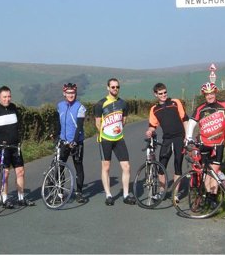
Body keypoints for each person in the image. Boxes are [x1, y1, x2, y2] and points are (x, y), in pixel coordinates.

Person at [186, 82, 225, 207]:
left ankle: (212, 197)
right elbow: (192, 122)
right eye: (207, 94)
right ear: (204, 95)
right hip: (204, 144)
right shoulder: (200, 108)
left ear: (215, 93)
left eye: (211, 93)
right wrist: (188, 138)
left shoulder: (223, 105)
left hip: (218, 145)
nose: (209, 96)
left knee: (215, 172)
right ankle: (210, 199)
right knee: (206, 173)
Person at [0, 86, 35, 208]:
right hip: (1, 147)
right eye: (5, 97)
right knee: (5, 174)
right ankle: (5, 199)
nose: (7, 99)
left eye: (9, 96)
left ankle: (21, 198)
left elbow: (18, 124)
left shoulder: (13, 108)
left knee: (20, 172)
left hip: (14, 146)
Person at [94, 78, 136, 206]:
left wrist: (117, 130)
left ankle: (126, 194)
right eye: (112, 87)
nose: (115, 89)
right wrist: (107, 131)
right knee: (106, 167)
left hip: (118, 139)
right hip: (105, 139)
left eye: (117, 87)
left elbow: (124, 120)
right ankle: (108, 195)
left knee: (126, 166)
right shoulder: (100, 104)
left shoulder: (123, 103)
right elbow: (97, 123)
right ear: (108, 88)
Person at [145, 83, 189, 202]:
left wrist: (187, 136)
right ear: (156, 94)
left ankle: (175, 194)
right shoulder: (154, 109)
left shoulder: (175, 102)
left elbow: (185, 119)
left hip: (179, 137)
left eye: (165, 92)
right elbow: (152, 126)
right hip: (167, 138)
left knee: (177, 165)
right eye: (160, 93)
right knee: (161, 165)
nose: (164, 95)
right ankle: (161, 192)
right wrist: (149, 131)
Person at [55, 83, 87, 203]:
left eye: (73, 93)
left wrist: (74, 141)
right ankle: (60, 193)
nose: (71, 95)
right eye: (68, 93)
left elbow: (79, 127)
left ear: (76, 93)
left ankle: (79, 192)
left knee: (78, 166)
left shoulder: (80, 107)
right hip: (63, 141)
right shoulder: (60, 106)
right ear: (64, 94)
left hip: (76, 142)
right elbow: (59, 123)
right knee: (60, 166)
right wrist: (56, 135)